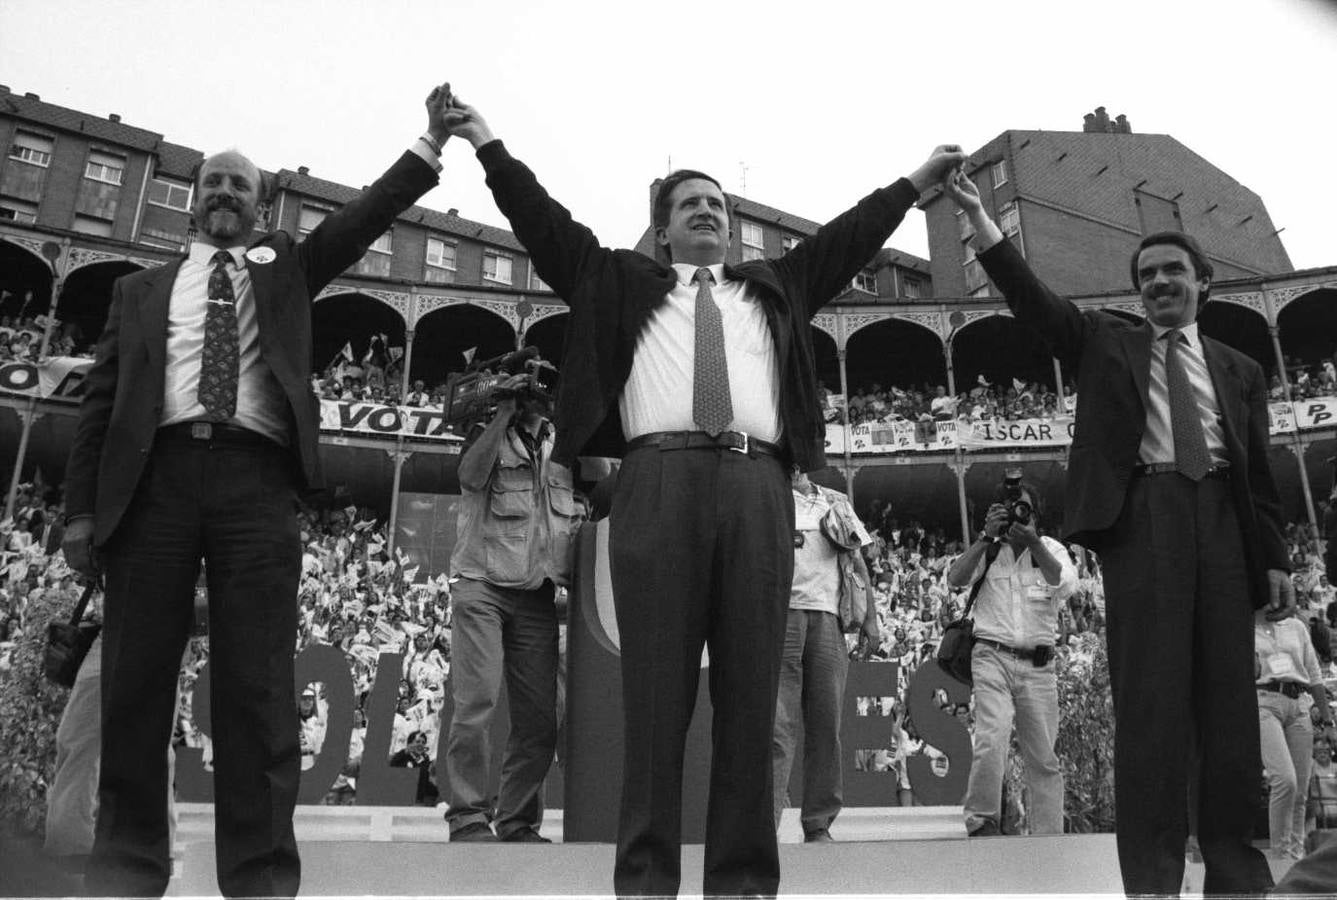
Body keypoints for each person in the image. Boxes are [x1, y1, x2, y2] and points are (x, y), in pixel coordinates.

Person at [440, 88, 964, 897]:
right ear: (662, 224)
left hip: (759, 485)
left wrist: (915, 182)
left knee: (753, 704)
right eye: (690, 204)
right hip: (656, 480)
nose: (708, 213)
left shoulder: (773, 286)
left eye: (717, 204)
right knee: (656, 700)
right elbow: (540, 222)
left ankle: (744, 884)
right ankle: (646, 882)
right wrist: (483, 141)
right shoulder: (617, 280)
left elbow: (853, 233)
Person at [59, 83, 454, 898]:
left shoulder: (283, 271)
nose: (225, 194)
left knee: (258, 688)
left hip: (252, 482)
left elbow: (363, 217)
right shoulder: (139, 291)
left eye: (241, 183)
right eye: (212, 183)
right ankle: (126, 873)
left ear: (262, 200)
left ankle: (262, 878)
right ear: (193, 204)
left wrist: (426, 146)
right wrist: (78, 513)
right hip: (153, 485)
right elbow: (99, 406)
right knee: (134, 686)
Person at [946, 170, 1293, 895]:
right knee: (1150, 707)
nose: (1159, 282)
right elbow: (1033, 302)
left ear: (1204, 280)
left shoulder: (1239, 368)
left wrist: (1274, 560)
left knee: (1228, 709)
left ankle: (1234, 871)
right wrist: (980, 222)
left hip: (1225, 530)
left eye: (1173, 270)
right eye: (1146, 275)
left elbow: (1258, 475)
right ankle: (1152, 879)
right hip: (1144, 523)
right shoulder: (1106, 341)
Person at [443, 371, 576, 843]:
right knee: (476, 703)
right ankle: (468, 816)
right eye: (529, 392)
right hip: (481, 584)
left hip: (538, 593)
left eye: (542, 392)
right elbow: (470, 476)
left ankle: (518, 819)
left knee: (541, 716)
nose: (536, 398)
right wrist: (501, 416)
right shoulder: (485, 433)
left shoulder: (564, 446)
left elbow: (601, 486)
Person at [946, 476, 1075, 837]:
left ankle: (1048, 833)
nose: (1018, 516)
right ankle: (982, 820)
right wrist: (986, 537)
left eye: (1024, 509)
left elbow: (1064, 584)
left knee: (1044, 755)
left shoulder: (1051, 548)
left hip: (1039, 663)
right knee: (991, 737)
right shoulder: (988, 549)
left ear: (1035, 512)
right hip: (992, 655)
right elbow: (956, 579)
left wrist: (1034, 544)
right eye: (1011, 510)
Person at [771, 469, 878, 843]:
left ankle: (819, 822)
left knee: (825, 725)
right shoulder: (767, 493)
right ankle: (764, 823)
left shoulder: (835, 500)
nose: (795, 462)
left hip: (829, 619)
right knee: (777, 728)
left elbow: (859, 562)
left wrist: (871, 620)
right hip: (778, 618)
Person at [1255, 609, 1333, 859]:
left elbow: (1314, 672)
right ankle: (1280, 855)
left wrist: (1328, 718)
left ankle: (1296, 856)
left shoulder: (1297, 626)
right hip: (1263, 701)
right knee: (1284, 780)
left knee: (1301, 789)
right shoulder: (1244, 625)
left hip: (1299, 702)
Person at [390, 730, 440, 807]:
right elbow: (392, 766)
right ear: (410, 743)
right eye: (418, 741)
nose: (421, 744)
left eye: (423, 742)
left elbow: (425, 775)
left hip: (419, 796)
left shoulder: (425, 758)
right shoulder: (402, 755)